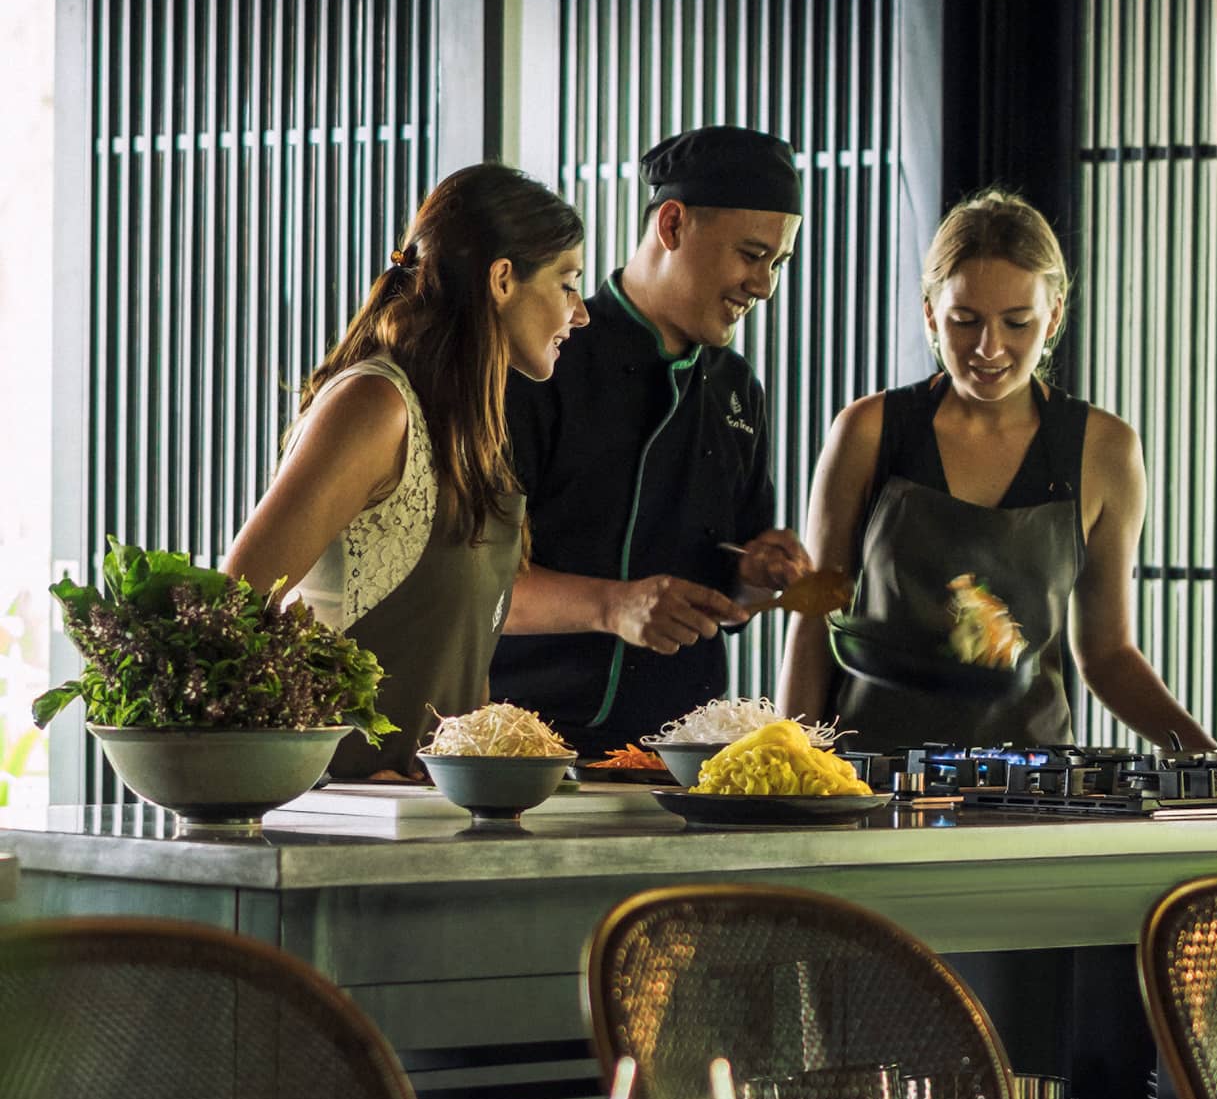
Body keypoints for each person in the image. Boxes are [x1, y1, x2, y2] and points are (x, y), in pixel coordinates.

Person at [776, 188, 1217, 752]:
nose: (989, 348)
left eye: (1016, 323)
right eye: (965, 321)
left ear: (1053, 315)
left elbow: (1107, 655)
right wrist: (791, 772)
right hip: (871, 778)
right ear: (931, 313)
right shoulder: (868, 431)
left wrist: (1213, 761)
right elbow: (815, 622)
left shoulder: (1104, 451)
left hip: (1036, 786)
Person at [225, 163, 587, 778]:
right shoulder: (375, 406)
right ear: (503, 278)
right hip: (336, 823)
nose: (580, 315)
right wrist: (334, 769)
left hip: (434, 818)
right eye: (567, 283)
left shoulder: (470, 426)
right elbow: (229, 608)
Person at [490, 125, 811, 758]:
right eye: (751, 255)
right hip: (527, 745)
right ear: (672, 225)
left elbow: (732, 588)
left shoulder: (738, 389)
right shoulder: (546, 359)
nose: (765, 285)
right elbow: (474, 583)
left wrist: (754, 576)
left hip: (680, 755)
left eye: (777, 263)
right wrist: (612, 606)